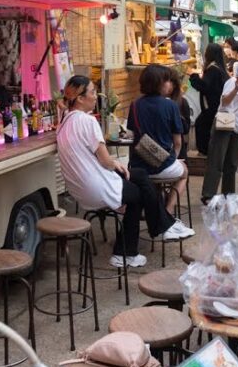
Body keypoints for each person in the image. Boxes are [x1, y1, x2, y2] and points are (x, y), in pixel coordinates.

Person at [57, 76, 192, 269]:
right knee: (138, 195)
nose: (96, 96)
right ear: (79, 98)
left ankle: (162, 225)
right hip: (95, 186)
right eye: (93, 92)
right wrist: (115, 165)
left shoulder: (63, 122)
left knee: (139, 176)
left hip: (80, 188)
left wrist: (116, 166)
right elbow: (104, 159)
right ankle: (128, 251)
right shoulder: (87, 121)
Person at [128, 65, 190, 216]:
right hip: (162, 166)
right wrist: (172, 158)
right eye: (167, 80)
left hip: (138, 167)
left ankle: (154, 208)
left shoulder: (135, 105)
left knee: (154, 181)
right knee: (184, 173)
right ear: (159, 83)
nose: (171, 84)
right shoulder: (170, 105)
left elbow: (132, 134)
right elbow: (178, 143)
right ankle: (167, 212)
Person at [201, 53, 238, 201]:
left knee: (232, 163)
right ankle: (209, 194)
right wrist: (235, 89)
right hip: (225, 124)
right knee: (216, 160)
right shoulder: (233, 81)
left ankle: (229, 194)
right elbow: (225, 101)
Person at [190, 43, 229, 156]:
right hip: (216, 105)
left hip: (210, 106)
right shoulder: (220, 68)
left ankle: (205, 152)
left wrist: (193, 76)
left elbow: (204, 86)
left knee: (202, 125)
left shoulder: (212, 69)